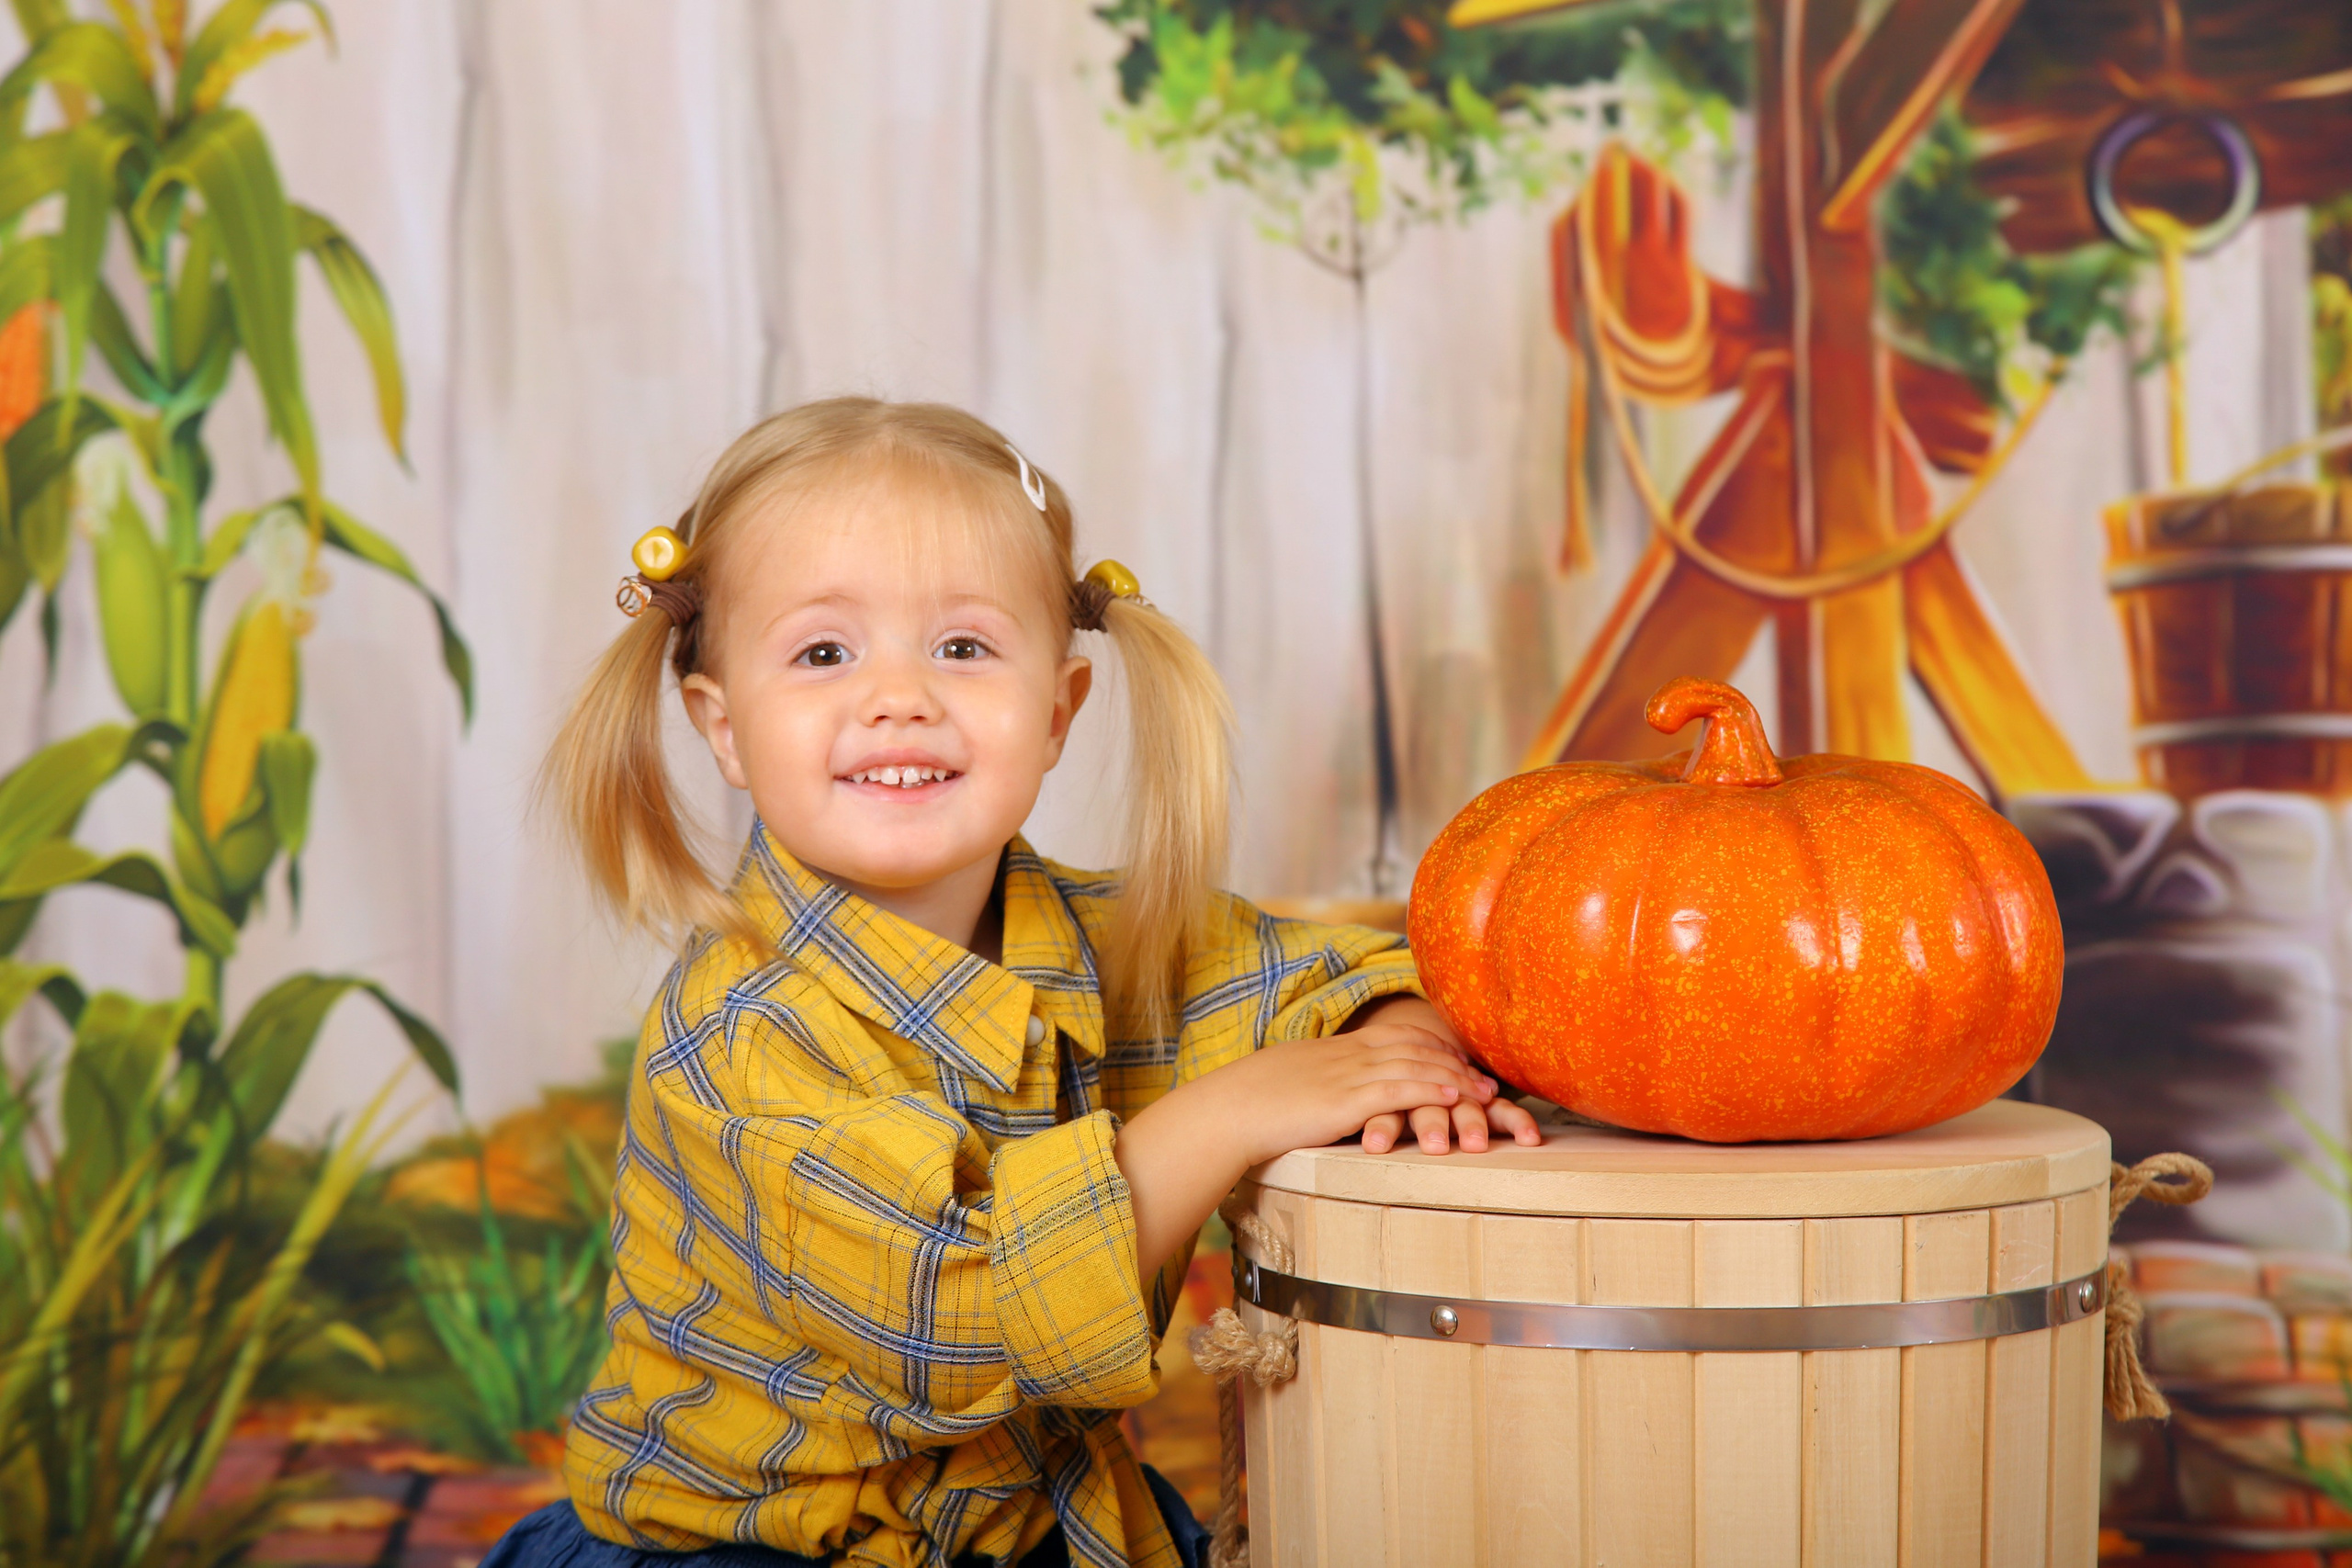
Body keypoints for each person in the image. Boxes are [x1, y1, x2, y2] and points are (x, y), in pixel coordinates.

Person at [484, 399, 1541, 1568]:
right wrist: (1231, 1112)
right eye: (824, 653)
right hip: (753, 1547)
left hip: (1015, 1525)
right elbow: (956, 1321)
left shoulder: (1114, 936)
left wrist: (1397, 1044)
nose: (899, 695)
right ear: (723, 728)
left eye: (962, 647)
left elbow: (1329, 974)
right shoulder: (740, 1032)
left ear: (1054, 712)